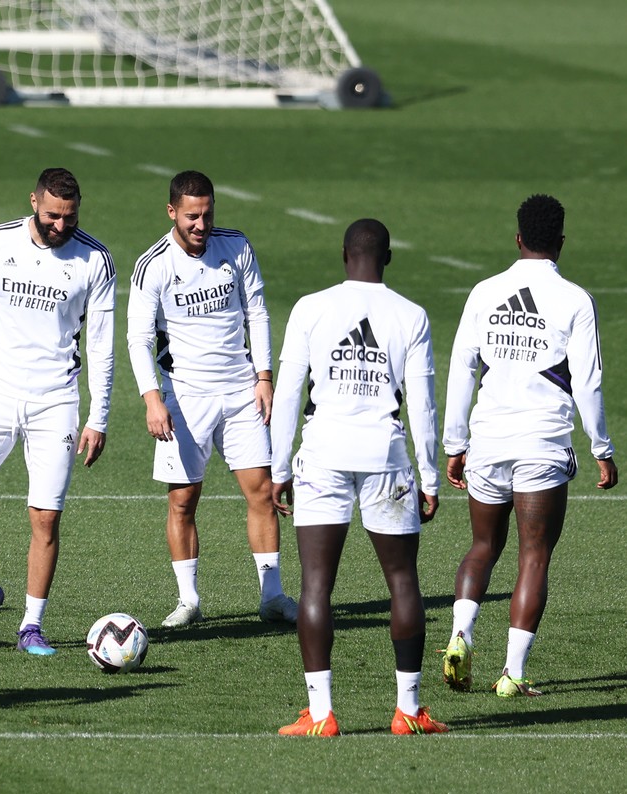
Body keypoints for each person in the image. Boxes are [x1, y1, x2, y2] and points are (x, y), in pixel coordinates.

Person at [271, 219, 446, 736]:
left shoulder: (310, 308)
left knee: (316, 585)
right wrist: (430, 476)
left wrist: (279, 468)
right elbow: (423, 406)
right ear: (387, 258)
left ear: (344, 255)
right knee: (402, 582)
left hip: (322, 455)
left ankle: (322, 715)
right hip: (386, 458)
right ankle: (408, 712)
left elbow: (286, 395)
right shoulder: (411, 315)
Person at [441, 194, 616, 698]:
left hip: (488, 441)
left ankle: (460, 636)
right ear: (561, 243)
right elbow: (588, 383)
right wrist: (601, 447)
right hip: (542, 444)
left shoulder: (484, 291)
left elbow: (461, 369)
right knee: (533, 556)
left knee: (482, 547)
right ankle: (512, 674)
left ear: (517, 239)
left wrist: (457, 443)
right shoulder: (576, 300)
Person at [0, 167, 115, 655]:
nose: (61, 226)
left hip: (55, 401)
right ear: (34, 203)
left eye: (70, 216)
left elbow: (101, 346)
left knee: (45, 517)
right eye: (52, 216)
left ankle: (31, 626)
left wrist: (98, 416)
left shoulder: (95, 259)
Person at [126, 170, 296, 628]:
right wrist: (151, 399)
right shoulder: (153, 265)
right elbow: (138, 338)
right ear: (171, 213)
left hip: (242, 393)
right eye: (191, 217)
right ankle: (188, 600)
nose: (201, 225)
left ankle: (272, 595)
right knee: (183, 500)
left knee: (261, 492)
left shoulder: (236, 246)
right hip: (186, 398)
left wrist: (264, 376)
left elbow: (257, 311)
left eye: (207, 214)